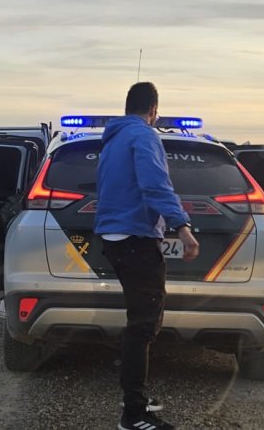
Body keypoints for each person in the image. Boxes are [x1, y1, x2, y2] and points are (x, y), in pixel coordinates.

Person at [94, 82, 199, 430]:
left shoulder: (114, 139)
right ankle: (132, 415)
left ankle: (135, 396)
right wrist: (181, 226)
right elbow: (155, 184)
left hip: (114, 235)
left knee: (139, 320)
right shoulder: (145, 136)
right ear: (154, 110)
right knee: (144, 323)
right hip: (136, 238)